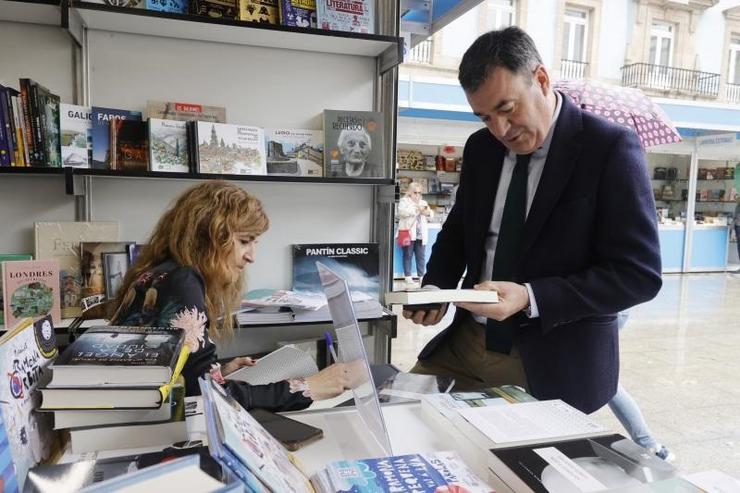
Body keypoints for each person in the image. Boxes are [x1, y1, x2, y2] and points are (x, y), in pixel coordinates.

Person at [403, 26, 662, 414]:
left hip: (548, 359)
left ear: (541, 79)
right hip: (465, 342)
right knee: (400, 423)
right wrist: (436, 286)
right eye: (485, 117)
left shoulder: (609, 148)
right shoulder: (480, 148)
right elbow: (459, 229)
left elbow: (638, 275)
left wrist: (532, 297)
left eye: (507, 109)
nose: (500, 130)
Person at [110, 181, 349, 412]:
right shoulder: (183, 281)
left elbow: (179, 373)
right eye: (244, 241)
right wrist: (307, 388)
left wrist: (216, 371)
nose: (251, 256)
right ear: (209, 236)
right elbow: (206, 397)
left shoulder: (159, 273)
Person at [608, 312, 675, 461]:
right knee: (605, 383)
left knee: (606, 383)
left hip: (598, 312)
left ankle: (648, 445)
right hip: (605, 309)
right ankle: (648, 444)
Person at [398, 182, 433, 286]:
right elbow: (402, 212)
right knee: (407, 255)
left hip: (421, 234)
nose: (417, 195)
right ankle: (408, 276)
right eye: (415, 192)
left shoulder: (423, 202)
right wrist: (417, 208)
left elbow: (430, 214)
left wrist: (426, 212)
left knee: (421, 256)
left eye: (419, 192)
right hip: (408, 233)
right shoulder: (404, 201)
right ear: (410, 192)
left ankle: (421, 276)